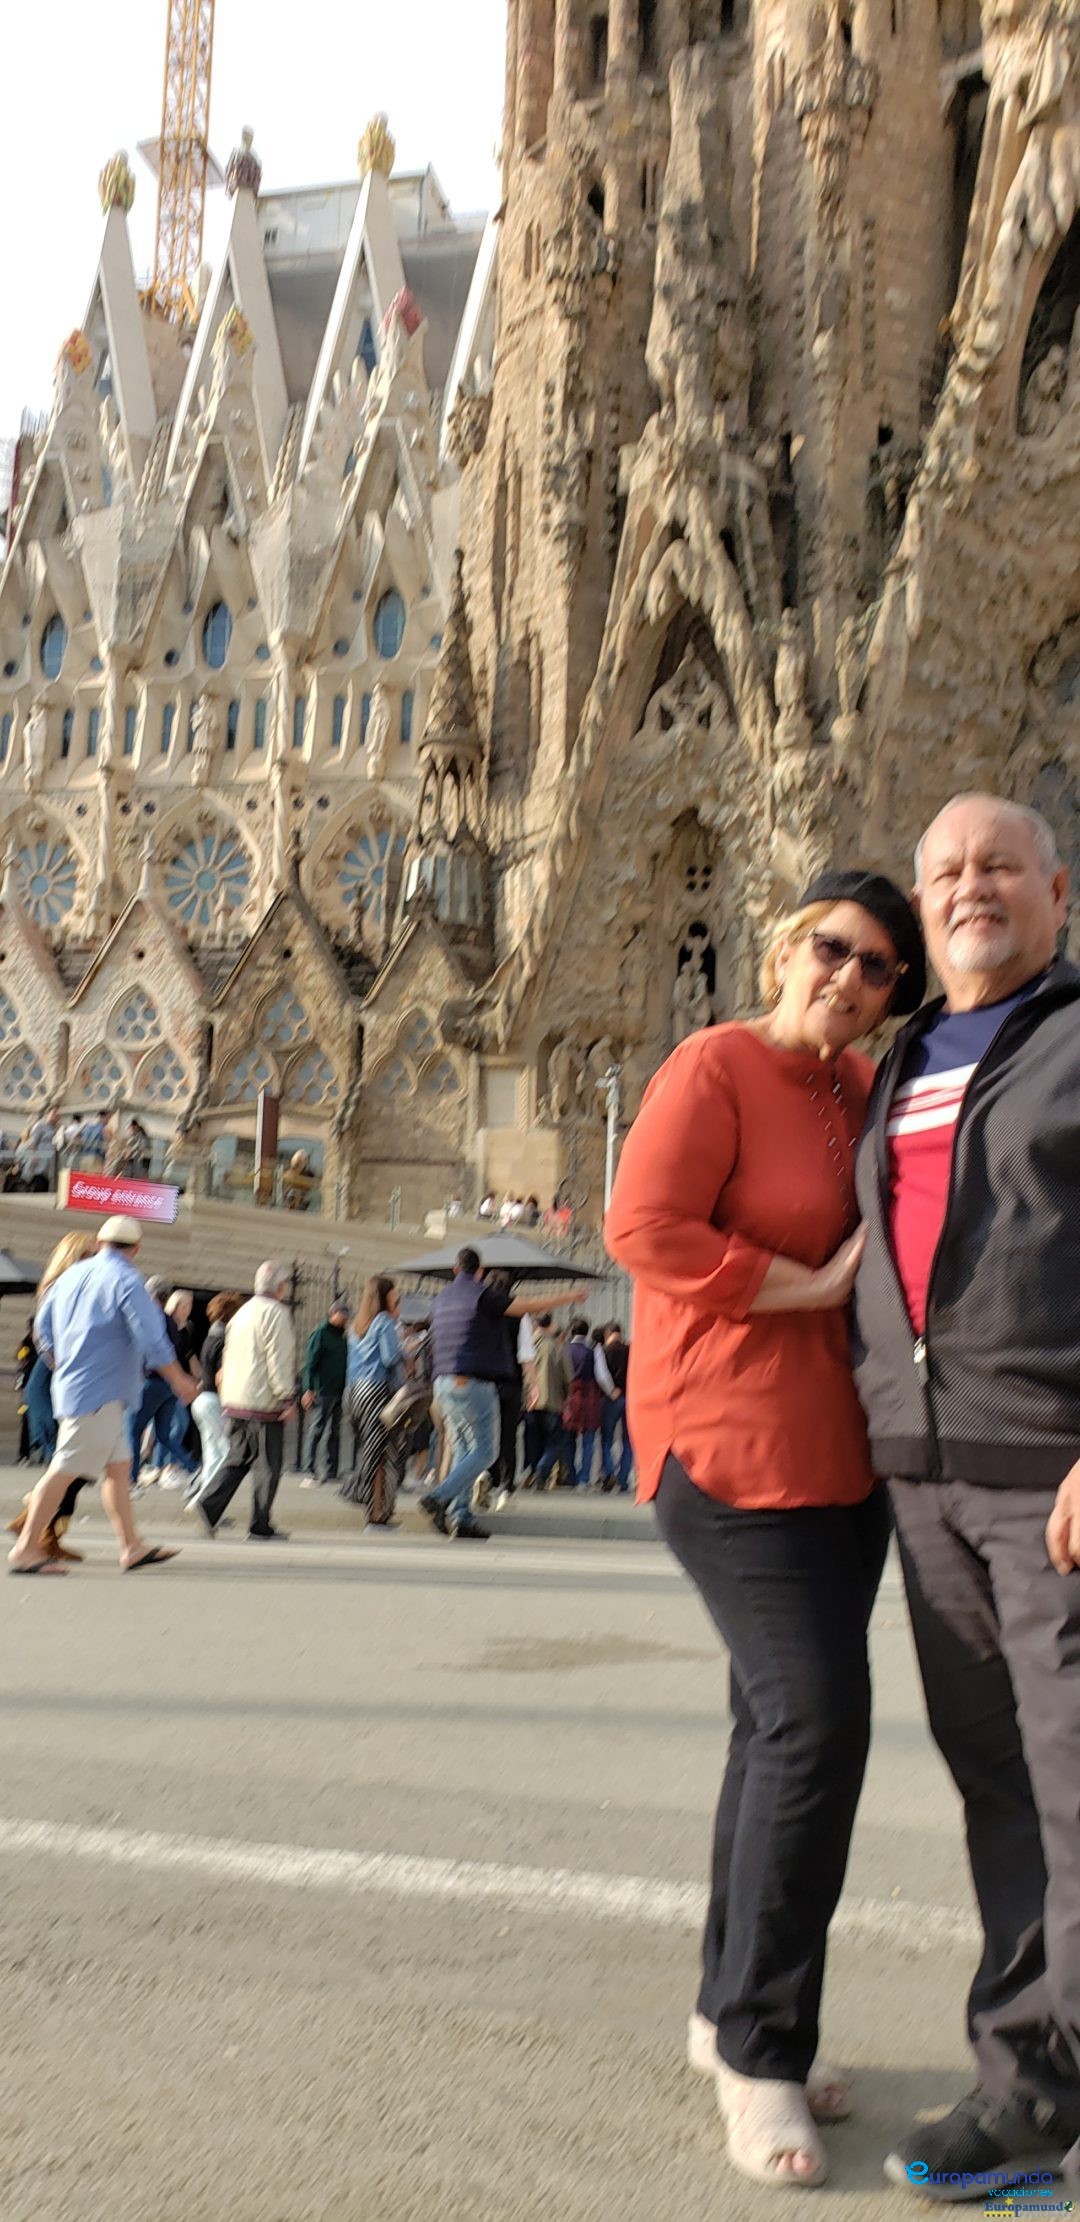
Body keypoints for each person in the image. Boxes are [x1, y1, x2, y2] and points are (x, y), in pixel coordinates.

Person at [606, 868, 925, 2193]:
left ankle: (721, 2005)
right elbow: (642, 1225)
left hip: (842, 1460)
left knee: (769, 1731)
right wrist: (798, 1283)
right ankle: (763, 2048)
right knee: (817, 1720)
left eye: (881, 971)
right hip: (726, 1443)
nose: (852, 978)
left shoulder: (858, 1090)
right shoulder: (714, 1062)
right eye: (837, 949)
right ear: (788, 945)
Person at [850, 796, 1080, 2201]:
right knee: (1001, 1789)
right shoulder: (908, 1053)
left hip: (1050, 1479)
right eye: (946, 874)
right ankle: (1027, 2087)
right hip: (927, 1481)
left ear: (1057, 887)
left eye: (999, 865)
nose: (969, 888)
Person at [8, 1214, 198, 1574]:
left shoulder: (70, 1278)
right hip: (101, 1392)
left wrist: (64, 1362)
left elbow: (42, 1331)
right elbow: (151, 1336)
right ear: (136, 1248)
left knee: (118, 1468)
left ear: (100, 1243)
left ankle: (131, 1546)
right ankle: (26, 1549)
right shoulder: (126, 1279)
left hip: (80, 1388)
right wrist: (178, 1379)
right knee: (65, 1468)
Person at [419, 1250, 588, 1541]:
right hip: (472, 1381)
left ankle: (461, 1517)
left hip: (442, 1382)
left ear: (455, 1269)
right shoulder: (482, 1295)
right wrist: (569, 1297)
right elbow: (529, 1306)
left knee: (462, 1450)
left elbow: (432, 1342)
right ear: (480, 1271)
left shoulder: (441, 1299)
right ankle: (439, 1497)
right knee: (486, 1450)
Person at [7, 1233, 98, 1564]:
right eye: (90, 1254)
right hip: (52, 1383)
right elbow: (44, 1339)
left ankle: (44, 1530)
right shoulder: (59, 1288)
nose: (96, 1261)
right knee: (70, 1462)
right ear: (73, 1256)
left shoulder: (77, 1288)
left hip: (63, 1381)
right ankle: (40, 1532)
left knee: (79, 1463)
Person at [197, 1261, 297, 1540]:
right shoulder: (276, 1313)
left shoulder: (242, 1313)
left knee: (238, 1457)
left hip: (236, 1398)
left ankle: (209, 1504)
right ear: (279, 1286)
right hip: (262, 1401)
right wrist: (287, 1397)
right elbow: (279, 1358)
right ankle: (260, 1524)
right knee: (268, 1464)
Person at [339, 1278, 405, 1526]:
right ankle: (373, 1509)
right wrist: (406, 1349)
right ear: (384, 1296)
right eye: (394, 1296)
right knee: (380, 1453)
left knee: (371, 1449)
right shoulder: (384, 1321)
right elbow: (389, 1358)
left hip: (354, 1391)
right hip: (376, 1390)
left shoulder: (356, 1324)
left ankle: (376, 1510)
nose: (396, 1299)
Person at [186, 1290, 245, 1508]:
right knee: (224, 1454)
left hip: (202, 1400)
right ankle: (206, 1502)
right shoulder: (224, 1338)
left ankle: (198, 1499)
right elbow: (222, 1375)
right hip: (214, 1401)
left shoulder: (211, 1336)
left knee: (212, 1453)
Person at [301, 1296, 350, 1486]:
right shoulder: (320, 1334)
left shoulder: (342, 1337)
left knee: (334, 1431)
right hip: (322, 1390)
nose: (345, 1318)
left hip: (338, 1389)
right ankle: (309, 1468)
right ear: (332, 1314)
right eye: (342, 1314)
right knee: (317, 1428)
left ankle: (332, 1469)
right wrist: (308, 1389)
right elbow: (310, 1364)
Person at [525, 1313, 572, 1488]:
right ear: (551, 1325)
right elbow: (567, 1377)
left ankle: (534, 1471)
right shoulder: (557, 1347)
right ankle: (542, 1471)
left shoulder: (527, 1347)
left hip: (530, 1402)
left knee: (533, 1440)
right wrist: (566, 1397)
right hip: (552, 1402)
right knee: (555, 1440)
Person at [563, 1319, 603, 1488]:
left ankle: (570, 1475)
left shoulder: (564, 1350)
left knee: (568, 1439)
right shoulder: (592, 1351)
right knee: (588, 1440)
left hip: (570, 1396)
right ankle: (584, 1477)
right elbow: (600, 1375)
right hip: (589, 1396)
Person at [596, 1322, 633, 1492]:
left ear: (607, 1334)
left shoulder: (603, 1351)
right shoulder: (631, 1350)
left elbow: (601, 1375)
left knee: (606, 1439)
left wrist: (611, 1391)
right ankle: (623, 1479)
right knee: (628, 1441)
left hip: (611, 1399)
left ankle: (609, 1473)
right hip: (631, 1398)